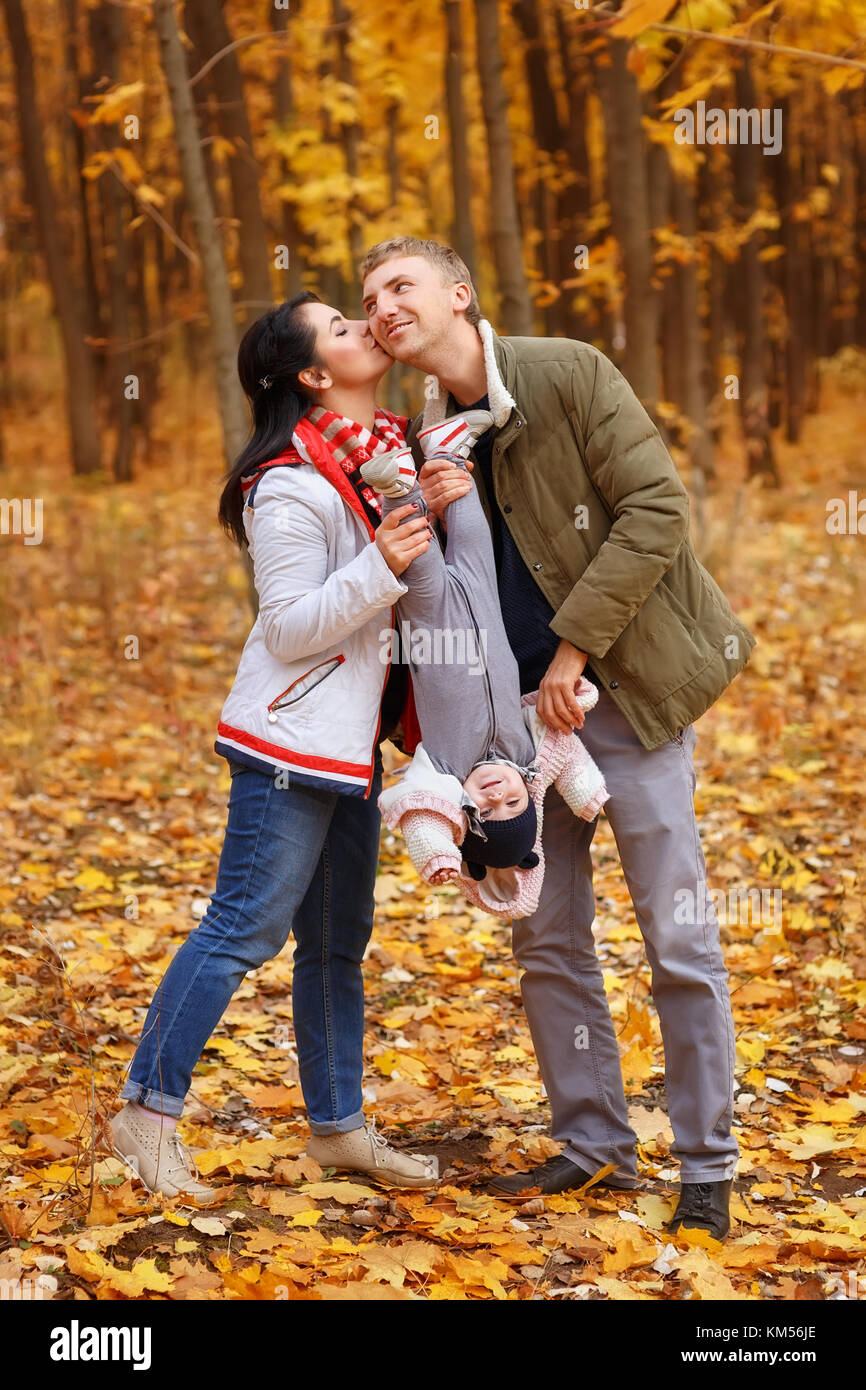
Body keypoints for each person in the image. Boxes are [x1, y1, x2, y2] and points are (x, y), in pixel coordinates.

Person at [360, 237, 756, 1240]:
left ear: (459, 293)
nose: (383, 306)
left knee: (675, 935)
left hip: (618, 690)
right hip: (511, 731)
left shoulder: (565, 369)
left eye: (400, 285)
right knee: (545, 938)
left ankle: (705, 1163)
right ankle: (593, 1148)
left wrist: (575, 652)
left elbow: (655, 509)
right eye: (369, 298)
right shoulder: (423, 435)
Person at [107, 292, 439, 1203]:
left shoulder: (381, 458)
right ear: (312, 376)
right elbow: (290, 626)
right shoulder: (290, 482)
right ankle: (145, 1116)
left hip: (352, 749)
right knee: (239, 930)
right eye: (341, 327)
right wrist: (386, 562)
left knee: (336, 945)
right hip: (289, 743)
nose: (365, 326)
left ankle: (337, 1129)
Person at [360, 410, 609, 919]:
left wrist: (440, 856)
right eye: (512, 805)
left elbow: (424, 813)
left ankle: (395, 483)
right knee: (472, 536)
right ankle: (449, 450)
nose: (496, 796)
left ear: (463, 809)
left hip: (431, 620)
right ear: (529, 797)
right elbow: (567, 755)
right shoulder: (530, 751)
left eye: (483, 811)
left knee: (418, 548)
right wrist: (590, 797)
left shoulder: (445, 773)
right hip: (485, 600)